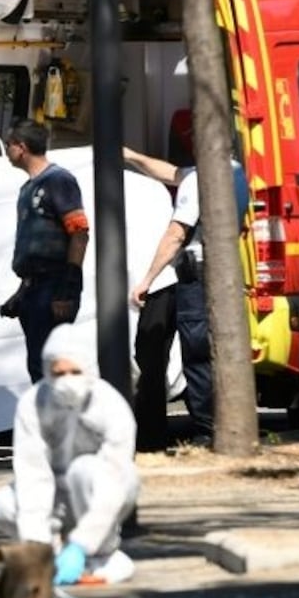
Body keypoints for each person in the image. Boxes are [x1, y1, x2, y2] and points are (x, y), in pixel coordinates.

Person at [0, 323, 140, 586]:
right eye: (58, 373)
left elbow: (114, 478)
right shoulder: (34, 404)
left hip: (98, 490)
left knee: (86, 470)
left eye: (75, 371)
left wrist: (82, 543)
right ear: (46, 371)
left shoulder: (110, 405)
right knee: (2, 506)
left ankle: (100, 552)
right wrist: (38, 546)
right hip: (57, 496)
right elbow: (33, 474)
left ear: (89, 368)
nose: (67, 380)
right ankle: (53, 553)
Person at [123, 147, 213, 444]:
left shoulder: (198, 181)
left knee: (193, 354)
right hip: (203, 275)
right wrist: (133, 156)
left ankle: (204, 431)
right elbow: (170, 172)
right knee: (196, 351)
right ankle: (205, 428)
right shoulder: (231, 172)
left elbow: (176, 234)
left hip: (189, 274)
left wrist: (146, 280)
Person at [0, 120, 90, 383]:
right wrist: (22, 293)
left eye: (8, 145)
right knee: (38, 366)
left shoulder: (59, 181)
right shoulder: (29, 188)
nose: (7, 151)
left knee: (53, 366)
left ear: (21, 147)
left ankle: (63, 421)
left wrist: (67, 288)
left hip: (55, 285)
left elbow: (79, 234)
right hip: (35, 288)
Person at [123, 147, 180, 452]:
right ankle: (152, 436)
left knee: (148, 361)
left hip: (150, 283)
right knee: (155, 362)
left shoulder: (134, 191)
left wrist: (145, 279)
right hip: (163, 283)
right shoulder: (155, 190)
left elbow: (172, 237)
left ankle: (149, 437)